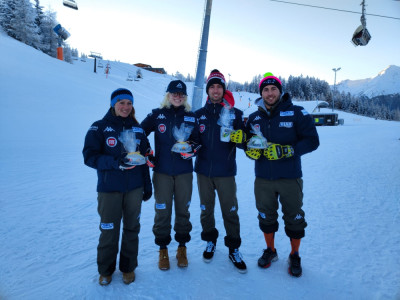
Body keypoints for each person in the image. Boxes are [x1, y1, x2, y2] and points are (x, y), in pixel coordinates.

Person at [244, 73, 320, 277]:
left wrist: (288, 150)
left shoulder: (297, 112)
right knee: (266, 216)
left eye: (273, 89)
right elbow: (249, 144)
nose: (269, 93)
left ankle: (295, 254)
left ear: (280, 91)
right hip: (263, 179)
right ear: (261, 93)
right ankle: (271, 250)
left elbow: (312, 141)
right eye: (265, 90)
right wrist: (249, 150)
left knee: (294, 218)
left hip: (289, 177)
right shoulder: (254, 117)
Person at [83, 88, 152, 286]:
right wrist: (116, 162)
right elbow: (89, 157)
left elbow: (144, 159)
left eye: (129, 103)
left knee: (132, 229)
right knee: (109, 230)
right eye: (121, 102)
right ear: (113, 104)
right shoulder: (99, 127)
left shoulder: (138, 130)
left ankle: (128, 268)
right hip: (109, 189)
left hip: (134, 188)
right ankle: (105, 270)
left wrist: (147, 186)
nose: (125, 107)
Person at [141, 80, 201, 271]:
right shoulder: (157, 115)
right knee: (162, 212)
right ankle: (163, 249)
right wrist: (147, 152)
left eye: (181, 94)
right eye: (174, 93)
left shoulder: (191, 117)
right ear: (168, 95)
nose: (177, 96)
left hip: (184, 173)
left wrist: (192, 150)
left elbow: (199, 143)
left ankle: (182, 248)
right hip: (162, 172)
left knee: (183, 210)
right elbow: (139, 133)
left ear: (185, 97)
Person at [194, 69, 248, 273]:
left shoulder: (236, 114)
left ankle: (233, 248)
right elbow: (193, 142)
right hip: (203, 172)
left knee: (230, 211)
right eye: (212, 86)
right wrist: (189, 148)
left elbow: (245, 144)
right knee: (206, 210)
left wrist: (237, 136)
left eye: (219, 87)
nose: (216, 90)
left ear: (223, 90)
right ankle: (210, 241)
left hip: (226, 172)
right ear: (208, 90)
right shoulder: (198, 115)